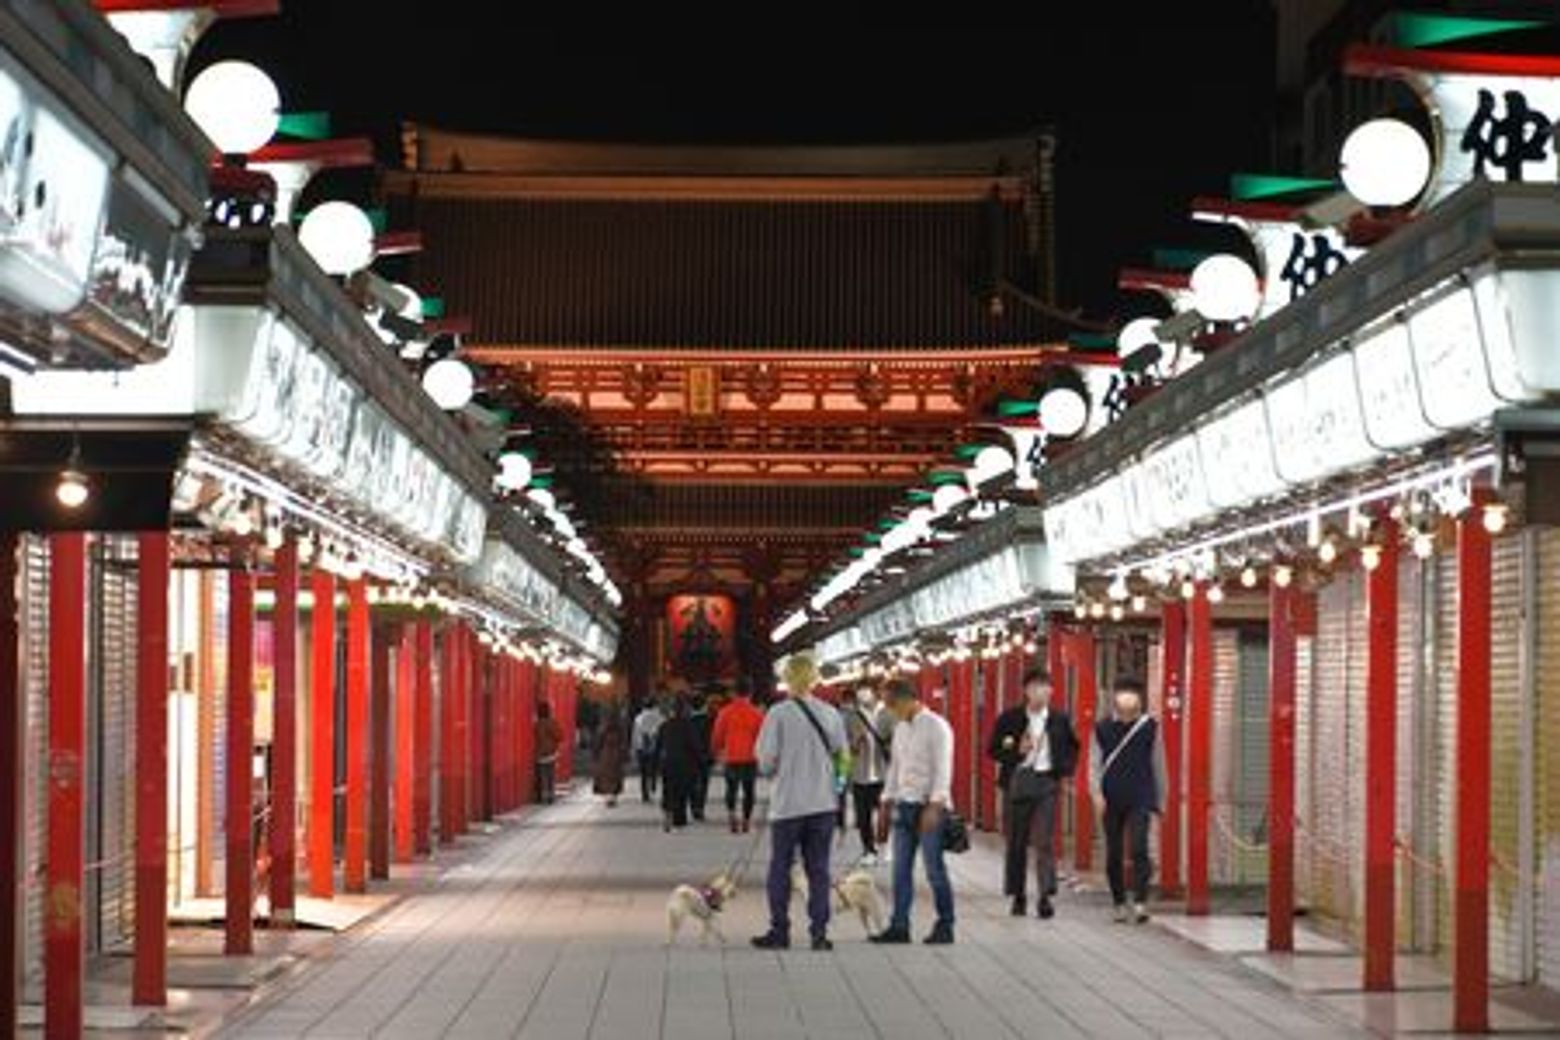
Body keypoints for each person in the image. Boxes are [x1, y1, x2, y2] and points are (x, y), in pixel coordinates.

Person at [752, 652, 847, 951]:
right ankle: (819, 933)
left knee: (781, 867)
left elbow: (765, 762)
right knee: (818, 869)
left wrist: (776, 770)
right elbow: (843, 757)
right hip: (823, 805)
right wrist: (838, 788)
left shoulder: (777, 714)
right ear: (815, 678)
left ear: (787, 679)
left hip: (788, 805)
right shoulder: (831, 713)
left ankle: (780, 931)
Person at [988, 667, 1079, 919]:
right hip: (1017, 784)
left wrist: (1063, 769)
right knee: (1016, 841)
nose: (1043, 691)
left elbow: (1073, 746)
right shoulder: (1010, 718)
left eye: (1047, 686)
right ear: (1027, 690)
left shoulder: (1059, 719)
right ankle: (1018, 895)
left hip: (1046, 783)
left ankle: (1045, 895)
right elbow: (993, 749)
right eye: (1037, 686)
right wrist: (1017, 750)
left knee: (1044, 841)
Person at [871, 678, 956, 946]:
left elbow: (943, 770)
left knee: (934, 870)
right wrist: (885, 804)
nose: (889, 709)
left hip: (929, 807)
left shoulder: (937, 727)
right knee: (900, 871)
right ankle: (899, 925)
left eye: (891, 703)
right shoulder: (900, 730)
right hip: (904, 806)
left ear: (908, 698)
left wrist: (934, 806)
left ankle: (945, 925)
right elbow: (895, 769)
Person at [1091, 677, 1168, 924]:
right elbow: (1093, 764)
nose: (1127, 698)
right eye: (1123, 693)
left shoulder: (1150, 727)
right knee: (1113, 851)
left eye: (1132, 693)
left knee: (1139, 847)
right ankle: (1118, 902)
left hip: (1140, 796)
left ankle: (1141, 901)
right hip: (1111, 797)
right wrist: (1096, 793)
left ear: (1140, 699)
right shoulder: (1102, 728)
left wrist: (1161, 799)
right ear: (1114, 697)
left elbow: (1159, 765)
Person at [844, 682, 894, 865]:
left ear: (875, 692)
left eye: (866, 691)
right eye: (860, 692)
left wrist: (888, 743)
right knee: (863, 817)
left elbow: (897, 740)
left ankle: (885, 846)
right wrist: (855, 742)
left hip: (883, 774)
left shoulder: (888, 714)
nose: (863, 695)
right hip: (860, 774)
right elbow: (846, 746)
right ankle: (868, 850)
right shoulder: (852, 717)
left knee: (884, 815)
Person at [711, 679, 765, 833]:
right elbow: (761, 736)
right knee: (749, 790)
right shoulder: (757, 713)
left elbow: (717, 735)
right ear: (750, 693)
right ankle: (746, 821)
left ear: (734, 693)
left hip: (731, 756)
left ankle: (732, 816)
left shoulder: (725, 712)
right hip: (750, 757)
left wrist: (716, 751)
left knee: (731, 788)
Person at [658, 697, 703, 831]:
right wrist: (701, 762)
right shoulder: (689, 726)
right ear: (684, 710)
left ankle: (667, 814)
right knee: (681, 792)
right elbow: (695, 746)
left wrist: (655, 765)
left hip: (668, 762)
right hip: (685, 763)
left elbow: (658, 747)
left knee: (668, 790)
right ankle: (679, 820)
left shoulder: (665, 726)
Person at [592, 702, 627, 808]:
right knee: (615, 776)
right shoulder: (620, 728)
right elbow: (624, 741)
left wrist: (596, 754)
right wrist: (624, 754)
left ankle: (608, 798)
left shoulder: (603, 728)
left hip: (606, 753)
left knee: (606, 776)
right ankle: (613, 797)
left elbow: (598, 742)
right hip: (617, 753)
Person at [631, 698, 665, 803]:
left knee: (644, 773)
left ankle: (645, 794)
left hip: (642, 748)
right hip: (656, 748)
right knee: (655, 769)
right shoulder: (660, 718)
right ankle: (653, 785)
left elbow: (635, 735)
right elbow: (663, 733)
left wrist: (634, 748)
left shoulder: (638, 718)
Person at [689, 692, 715, 822]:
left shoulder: (687, 721)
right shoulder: (710, 720)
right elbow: (713, 739)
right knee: (704, 782)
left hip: (690, 756)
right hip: (705, 755)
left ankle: (694, 807)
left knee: (692, 781)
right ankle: (700, 808)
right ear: (704, 705)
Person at [534, 700, 564, 805]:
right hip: (551, 752)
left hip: (539, 753)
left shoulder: (537, 724)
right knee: (551, 775)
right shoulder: (552, 722)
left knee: (543, 776)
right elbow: (560, 736)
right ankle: (550, 795)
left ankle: (543, 795)